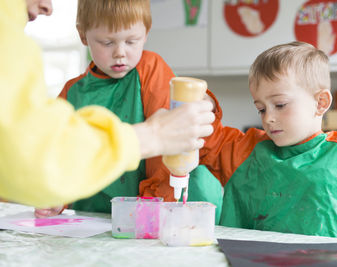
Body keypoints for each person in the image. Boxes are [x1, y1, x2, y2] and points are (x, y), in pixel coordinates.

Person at [144, 42, 337, 243]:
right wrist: (204, 105)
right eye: (261, 109)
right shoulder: (244, 151)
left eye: (280, 105)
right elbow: (204, 136)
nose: (269, 118)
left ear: (320, 103)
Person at [0, 0, 214, 209]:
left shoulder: (151, 71)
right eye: (107, 42)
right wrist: (58, 201)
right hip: (88, 220)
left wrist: (149, 208)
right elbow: (55, 158)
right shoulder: (72, 91)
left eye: (131, 41)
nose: (120, 52)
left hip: (141, 215)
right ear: (83, 35)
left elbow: (166, 157)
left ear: (146, 33)